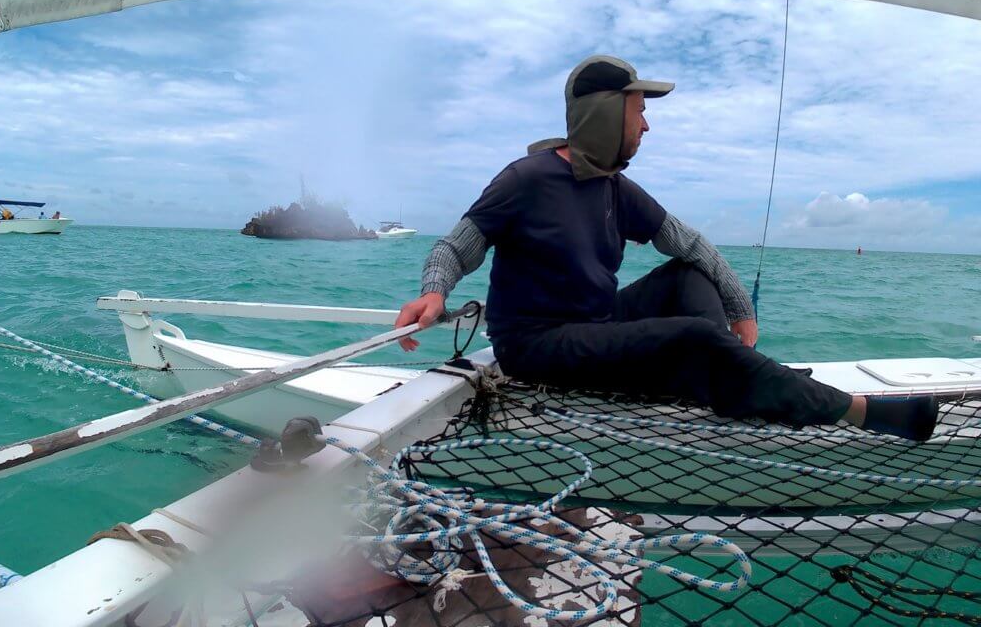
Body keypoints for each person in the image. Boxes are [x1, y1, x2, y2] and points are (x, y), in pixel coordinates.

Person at [395, 55, 937, 442]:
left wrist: (739, 307)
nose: (646, 125)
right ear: (606, 114)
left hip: (597, 324)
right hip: (536, 346)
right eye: (638, 112)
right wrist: (433, 291)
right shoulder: (526, 180)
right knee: (695, 336)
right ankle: (855, 410)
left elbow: (691, 244)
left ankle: (734, 371)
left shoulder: (615, 187)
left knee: (686, 275)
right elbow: (458, 244)